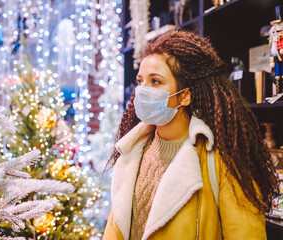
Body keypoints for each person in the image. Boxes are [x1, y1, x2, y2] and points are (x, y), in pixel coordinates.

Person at [103, 30, 279, 240]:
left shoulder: (222, 160)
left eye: (155, 81)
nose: (142, 90)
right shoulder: (132, 150)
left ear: (185, 96)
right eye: (141, 81)